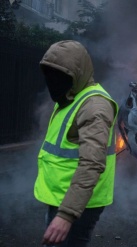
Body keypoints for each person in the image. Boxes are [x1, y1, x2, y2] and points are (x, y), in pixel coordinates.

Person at [34, 40, 118, 247]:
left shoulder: (94, 106)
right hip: (65, 197)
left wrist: (67, 215)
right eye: (48, 74)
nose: (52, 81)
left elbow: (92, 163)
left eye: (60, 75)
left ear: (77, 73)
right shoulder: (71, 96)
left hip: (77, 205)